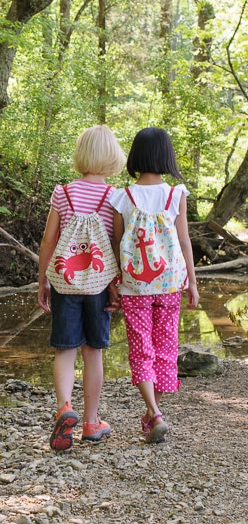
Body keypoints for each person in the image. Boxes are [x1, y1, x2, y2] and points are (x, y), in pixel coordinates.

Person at [38, 125, 126, 451]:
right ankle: (91, 422)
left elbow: (49, 240)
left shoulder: (63, 193)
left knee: (65, 350)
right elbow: (117, 244)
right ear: (113, 156)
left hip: (65, 283)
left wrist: (43, 280)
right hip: (99, 285)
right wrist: (118, 285)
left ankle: (64, 408)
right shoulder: (114, 196)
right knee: (93, 353)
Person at [109, 127, 199, 443]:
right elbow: (184, 240)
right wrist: (193, 282)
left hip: (135, 286)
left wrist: (115, 283)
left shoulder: (123, 196)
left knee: (141, 347)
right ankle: (153, 412)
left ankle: (154, 413)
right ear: (166, 156)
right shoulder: (176, 194)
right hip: (171, 283)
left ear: (135, 157)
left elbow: (118, 243)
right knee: (164, 347)